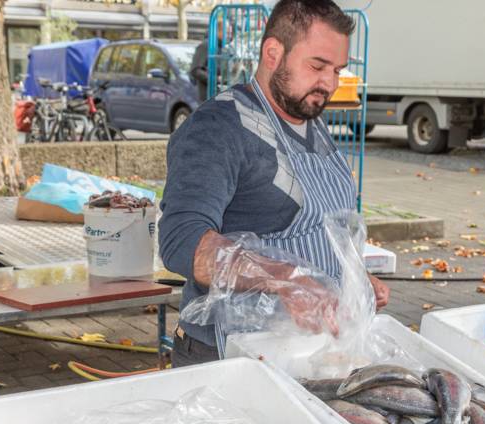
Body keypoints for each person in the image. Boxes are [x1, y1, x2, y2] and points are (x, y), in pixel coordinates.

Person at [159, 0, 389, 367]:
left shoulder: (307, 115)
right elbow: (180, 243)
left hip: (307, 352)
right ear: (272, 53)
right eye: (317, 66)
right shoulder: (216, 129)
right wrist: (286, 280)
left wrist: (355, 282)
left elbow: (322, 228)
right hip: (231, 356)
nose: (329, 83)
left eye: (338, 70)